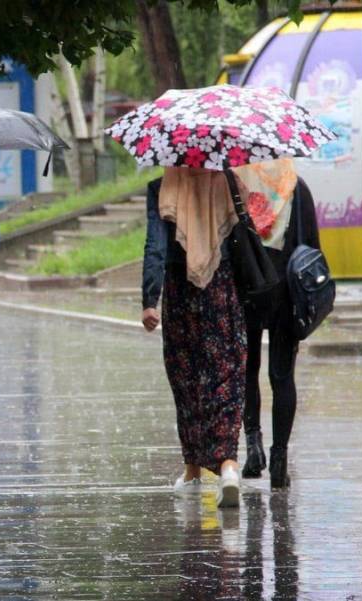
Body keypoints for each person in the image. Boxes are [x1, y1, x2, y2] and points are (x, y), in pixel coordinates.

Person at [141, 167, 246, 509]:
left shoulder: (161, 187)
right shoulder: (228, 182)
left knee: (186, 380)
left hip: (179, 291)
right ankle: (228, 466)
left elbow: (155, 246)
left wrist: (149, 300)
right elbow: (249, 233)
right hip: (222, 288)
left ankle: (193, 473)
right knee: (226, 375)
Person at [234, 160, 321, 489]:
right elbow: (312, 249)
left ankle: (254, 449)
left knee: (247, 371)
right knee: (282, 376)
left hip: (247, 289)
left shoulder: (237, 186)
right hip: (286, 293)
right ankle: (280, 459)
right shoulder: (298, 188)